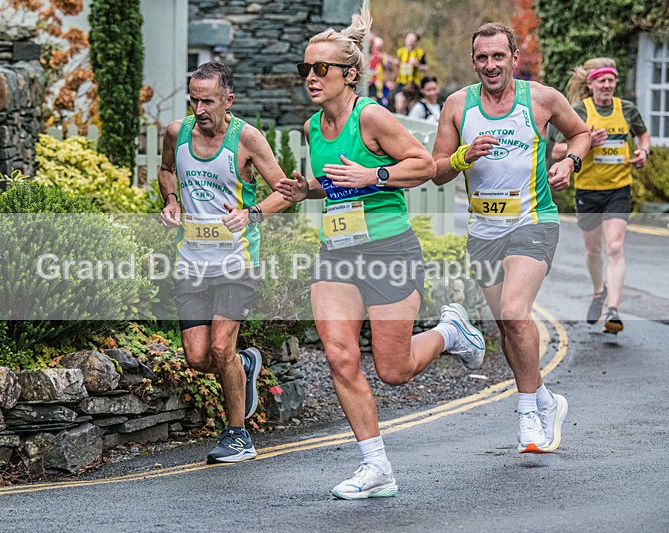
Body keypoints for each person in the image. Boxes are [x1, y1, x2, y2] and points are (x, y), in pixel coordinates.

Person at [277, 8, 486, 500]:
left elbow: (426, 165)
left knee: (394, 370)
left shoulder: (371, 116)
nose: (311, 77)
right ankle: (376, 467)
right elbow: (333, 185)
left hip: (389, 249)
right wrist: (303, 187)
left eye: (321, 69)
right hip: (337, 252)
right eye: (306, 69)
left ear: (348, 74)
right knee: (339, 355)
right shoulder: (313, 127)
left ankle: (449, 331)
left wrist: (377, 176)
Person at [432, 23, 590, 454]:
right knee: (507, 324)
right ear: (473, 62)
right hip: (483, 232)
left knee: (517, 313)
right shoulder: (457, 106)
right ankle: (545, 399)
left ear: (514, 58)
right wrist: (464, 155)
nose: (490, 65)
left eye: (498, 56)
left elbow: (581, 132)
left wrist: (570, 163)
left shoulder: (540, 99)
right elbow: (438, 170)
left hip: (533, 222)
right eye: (482, 58)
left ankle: (527, 417)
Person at [159, 61, 291, 464]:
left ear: (228, 101)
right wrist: (171, 200)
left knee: (220, 346)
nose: (199, 110)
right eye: (194, 100)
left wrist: (252, 214)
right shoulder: (175, 133)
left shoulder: (246, 139)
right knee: (198, 358)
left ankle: (238, 436)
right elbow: (165, 170)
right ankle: (246, 363)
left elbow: (284, 191)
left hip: (237, 260)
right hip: (191, 261)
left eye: (208, 101)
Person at [552, 58, 650, 334]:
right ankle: (598, 292)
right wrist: (588, 143)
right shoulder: (579, 112)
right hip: (588, 190)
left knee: (615, 247)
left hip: (619, 188)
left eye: (611, 79)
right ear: (591, 84)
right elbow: (557, 150)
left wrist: (644, 152)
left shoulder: (626, 110)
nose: (607, 85)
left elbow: (643, 136)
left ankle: (613, 310)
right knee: (593, 250)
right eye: (602, 80)